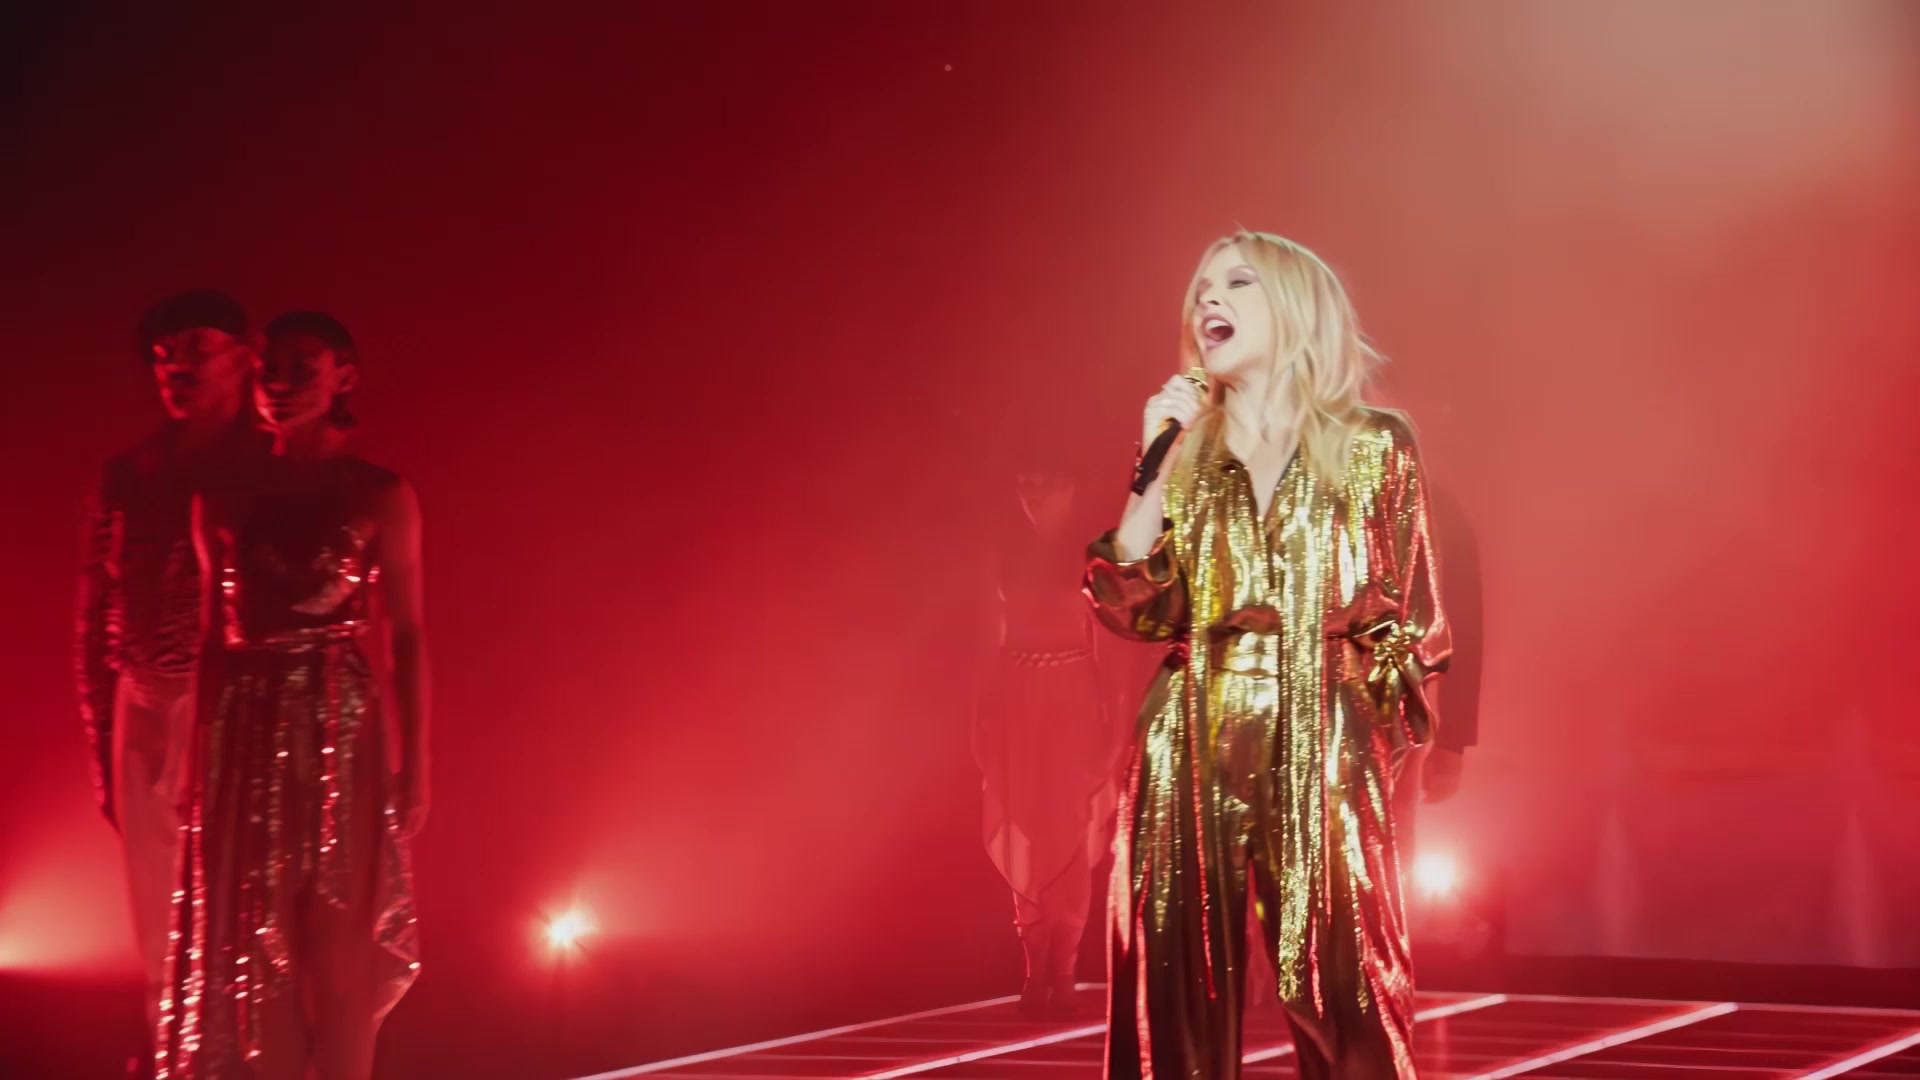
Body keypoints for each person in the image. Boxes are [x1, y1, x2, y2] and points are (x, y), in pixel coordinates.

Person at [1086, 232, 1449, 1078]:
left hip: (1328, 721)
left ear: (1295, 308)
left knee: (1346, 981)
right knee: (1170, 984)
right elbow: (1130, 605)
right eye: (1201, 287)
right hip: (1192, 721)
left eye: (1237, 282)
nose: (1207, 298)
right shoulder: (1186, 448)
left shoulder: (1374, 443)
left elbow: (1413, 619)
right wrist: (1153, 460)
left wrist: (1376, 748)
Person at [154, 312, 428, 1080]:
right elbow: (212, 639)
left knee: (339, 932)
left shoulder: (379, 493)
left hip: (341, 720)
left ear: (345, 376)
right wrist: (192, 764)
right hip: (245, 725)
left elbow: (408, 635)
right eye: (269, 365)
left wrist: (418, 767)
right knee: (250, 928)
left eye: (302, 364)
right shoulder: (222, 496)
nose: (279, 380)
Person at [75, 290, 264, 1046]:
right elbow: (93, 607)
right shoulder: (128, 473)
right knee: (156, 902)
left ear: (243, 358)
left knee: (239, 889)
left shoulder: (269, 465)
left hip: (234, 696)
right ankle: (174, 1049)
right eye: (162, 356)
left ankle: (251, 1046)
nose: (175, 368)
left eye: (195, 350)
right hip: (141, 693)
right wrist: (102, 743)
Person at [975, 456, 1127, 1017]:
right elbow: (986, 643)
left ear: (1071, 487)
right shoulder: (1003, 554)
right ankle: (1033, 963)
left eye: (1047, 480)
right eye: (1026, 480)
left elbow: (1112, 646)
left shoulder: (1094, 557)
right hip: (1018, 700)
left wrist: (1115, 723)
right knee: (1023, 824)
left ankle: (1063, 966)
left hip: (1073, 701)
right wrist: (983, 714)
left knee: (1068, 825)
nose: (1034, 492)